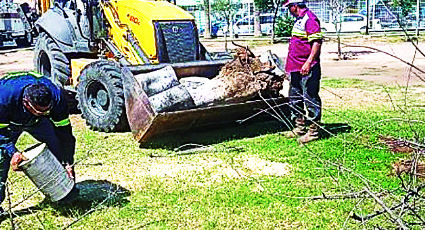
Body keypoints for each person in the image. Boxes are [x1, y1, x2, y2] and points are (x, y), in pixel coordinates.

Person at [0, 71, 77, 213]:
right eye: (41, 112)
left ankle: (67, 194)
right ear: (27, 104)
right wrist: (13, 152)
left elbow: (65, 134)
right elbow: (1, 134)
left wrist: (68, 162)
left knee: (58, 146)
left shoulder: (56, 98)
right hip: (7, 122)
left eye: (48, 111)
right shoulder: (3, 98)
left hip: (38, 123)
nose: (47, 113)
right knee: (0, 159)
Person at [283, 0, 323, 144]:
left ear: (295, 6)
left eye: (289, 7)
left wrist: (308, 62)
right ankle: (299, 126)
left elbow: (317, 42)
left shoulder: (310, 19)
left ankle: (313, 131)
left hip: (307, 67)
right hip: (295, 67)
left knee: (310, 97)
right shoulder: (299, 20)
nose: (288, 10)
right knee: (295, 96)